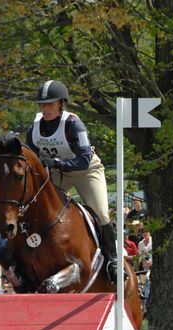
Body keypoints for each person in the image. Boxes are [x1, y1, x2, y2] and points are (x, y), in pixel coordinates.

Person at [25, 79, 120, 283]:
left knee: (101, 211)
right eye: (42, 104)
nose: (45, 108)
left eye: (50, 104)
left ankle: (113, 259)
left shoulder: (73, 124)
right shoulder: (34, 129)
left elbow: (84, 159)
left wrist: (57, 163)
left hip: (86, 171)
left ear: (61, 104)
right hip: (57, 173)